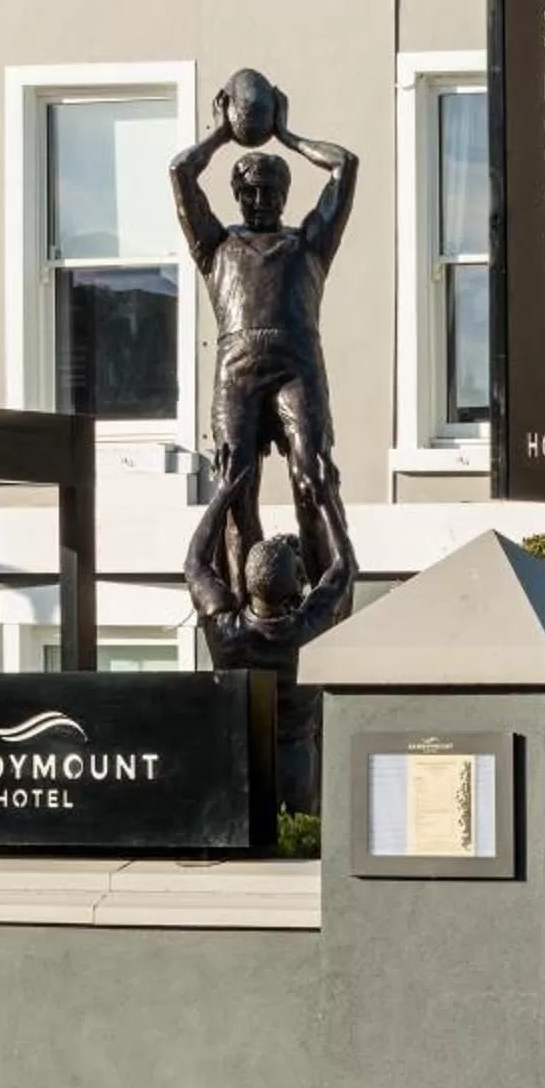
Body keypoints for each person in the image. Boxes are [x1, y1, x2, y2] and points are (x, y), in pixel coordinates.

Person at [170, 76, 359, 674]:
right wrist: (226, 130)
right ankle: (254, 603)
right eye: (250, 191)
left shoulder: (309, 245)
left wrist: (284, 131)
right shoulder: (215, 247)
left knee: (314, 478)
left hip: (296, 366)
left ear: (284, 193)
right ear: (237, 195)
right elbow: (181, 174)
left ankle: (327, 597)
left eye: (271, 189)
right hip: (237, 371)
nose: (260, 200)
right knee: (236, 490)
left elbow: (345, 167)